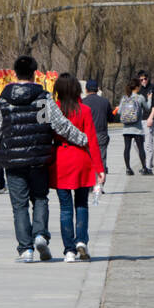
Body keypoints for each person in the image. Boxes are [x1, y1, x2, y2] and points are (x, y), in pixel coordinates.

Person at [0, 54, 89, 262]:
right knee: (40, 198)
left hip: (13, 160)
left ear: (15, 74)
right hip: (38, 158)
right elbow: (57, 125)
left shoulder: (4, 99)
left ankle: (26, 249)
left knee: (20, 205)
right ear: (34, 74)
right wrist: (82, 138)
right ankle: (41, 234)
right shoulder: (42, 99)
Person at [49, 73, 105, 261]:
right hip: (81, 160)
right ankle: (81, 241)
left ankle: (69, 251)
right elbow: (92, 141)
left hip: (61, 161)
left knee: (65, 208)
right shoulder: (85, 110)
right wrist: (100, 168)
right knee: (81, 204)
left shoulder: (54, 110)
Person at [82, 79, 113, 187]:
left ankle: (89, 184)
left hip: (87, 135)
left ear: (86, 90)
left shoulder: (82, 102)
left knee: (88, 159)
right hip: (101, 134)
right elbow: (111, 118)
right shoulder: (105, 102)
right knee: (101, 159)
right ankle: (100, 184)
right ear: (97, 89)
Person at [117, 78, 148, 175]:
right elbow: (147, 108)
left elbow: (119, 112)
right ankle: (144, 168)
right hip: (137, 128)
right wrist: (150, 98)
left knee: (127, 148)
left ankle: (128, 169)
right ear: (137, 87)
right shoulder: (140, 98)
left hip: (126, 128)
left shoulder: (125, 98)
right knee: (140, 148)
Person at [137, 69, 154, 175]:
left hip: (149, 118)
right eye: (141, 80)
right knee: (136, 143)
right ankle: (145, 162)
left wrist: (151, 118)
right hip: (138, 120)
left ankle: (148, 167)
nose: (143, 81)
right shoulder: (138, 90)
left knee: (148, 143)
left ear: (148, 78)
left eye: (145, 79)